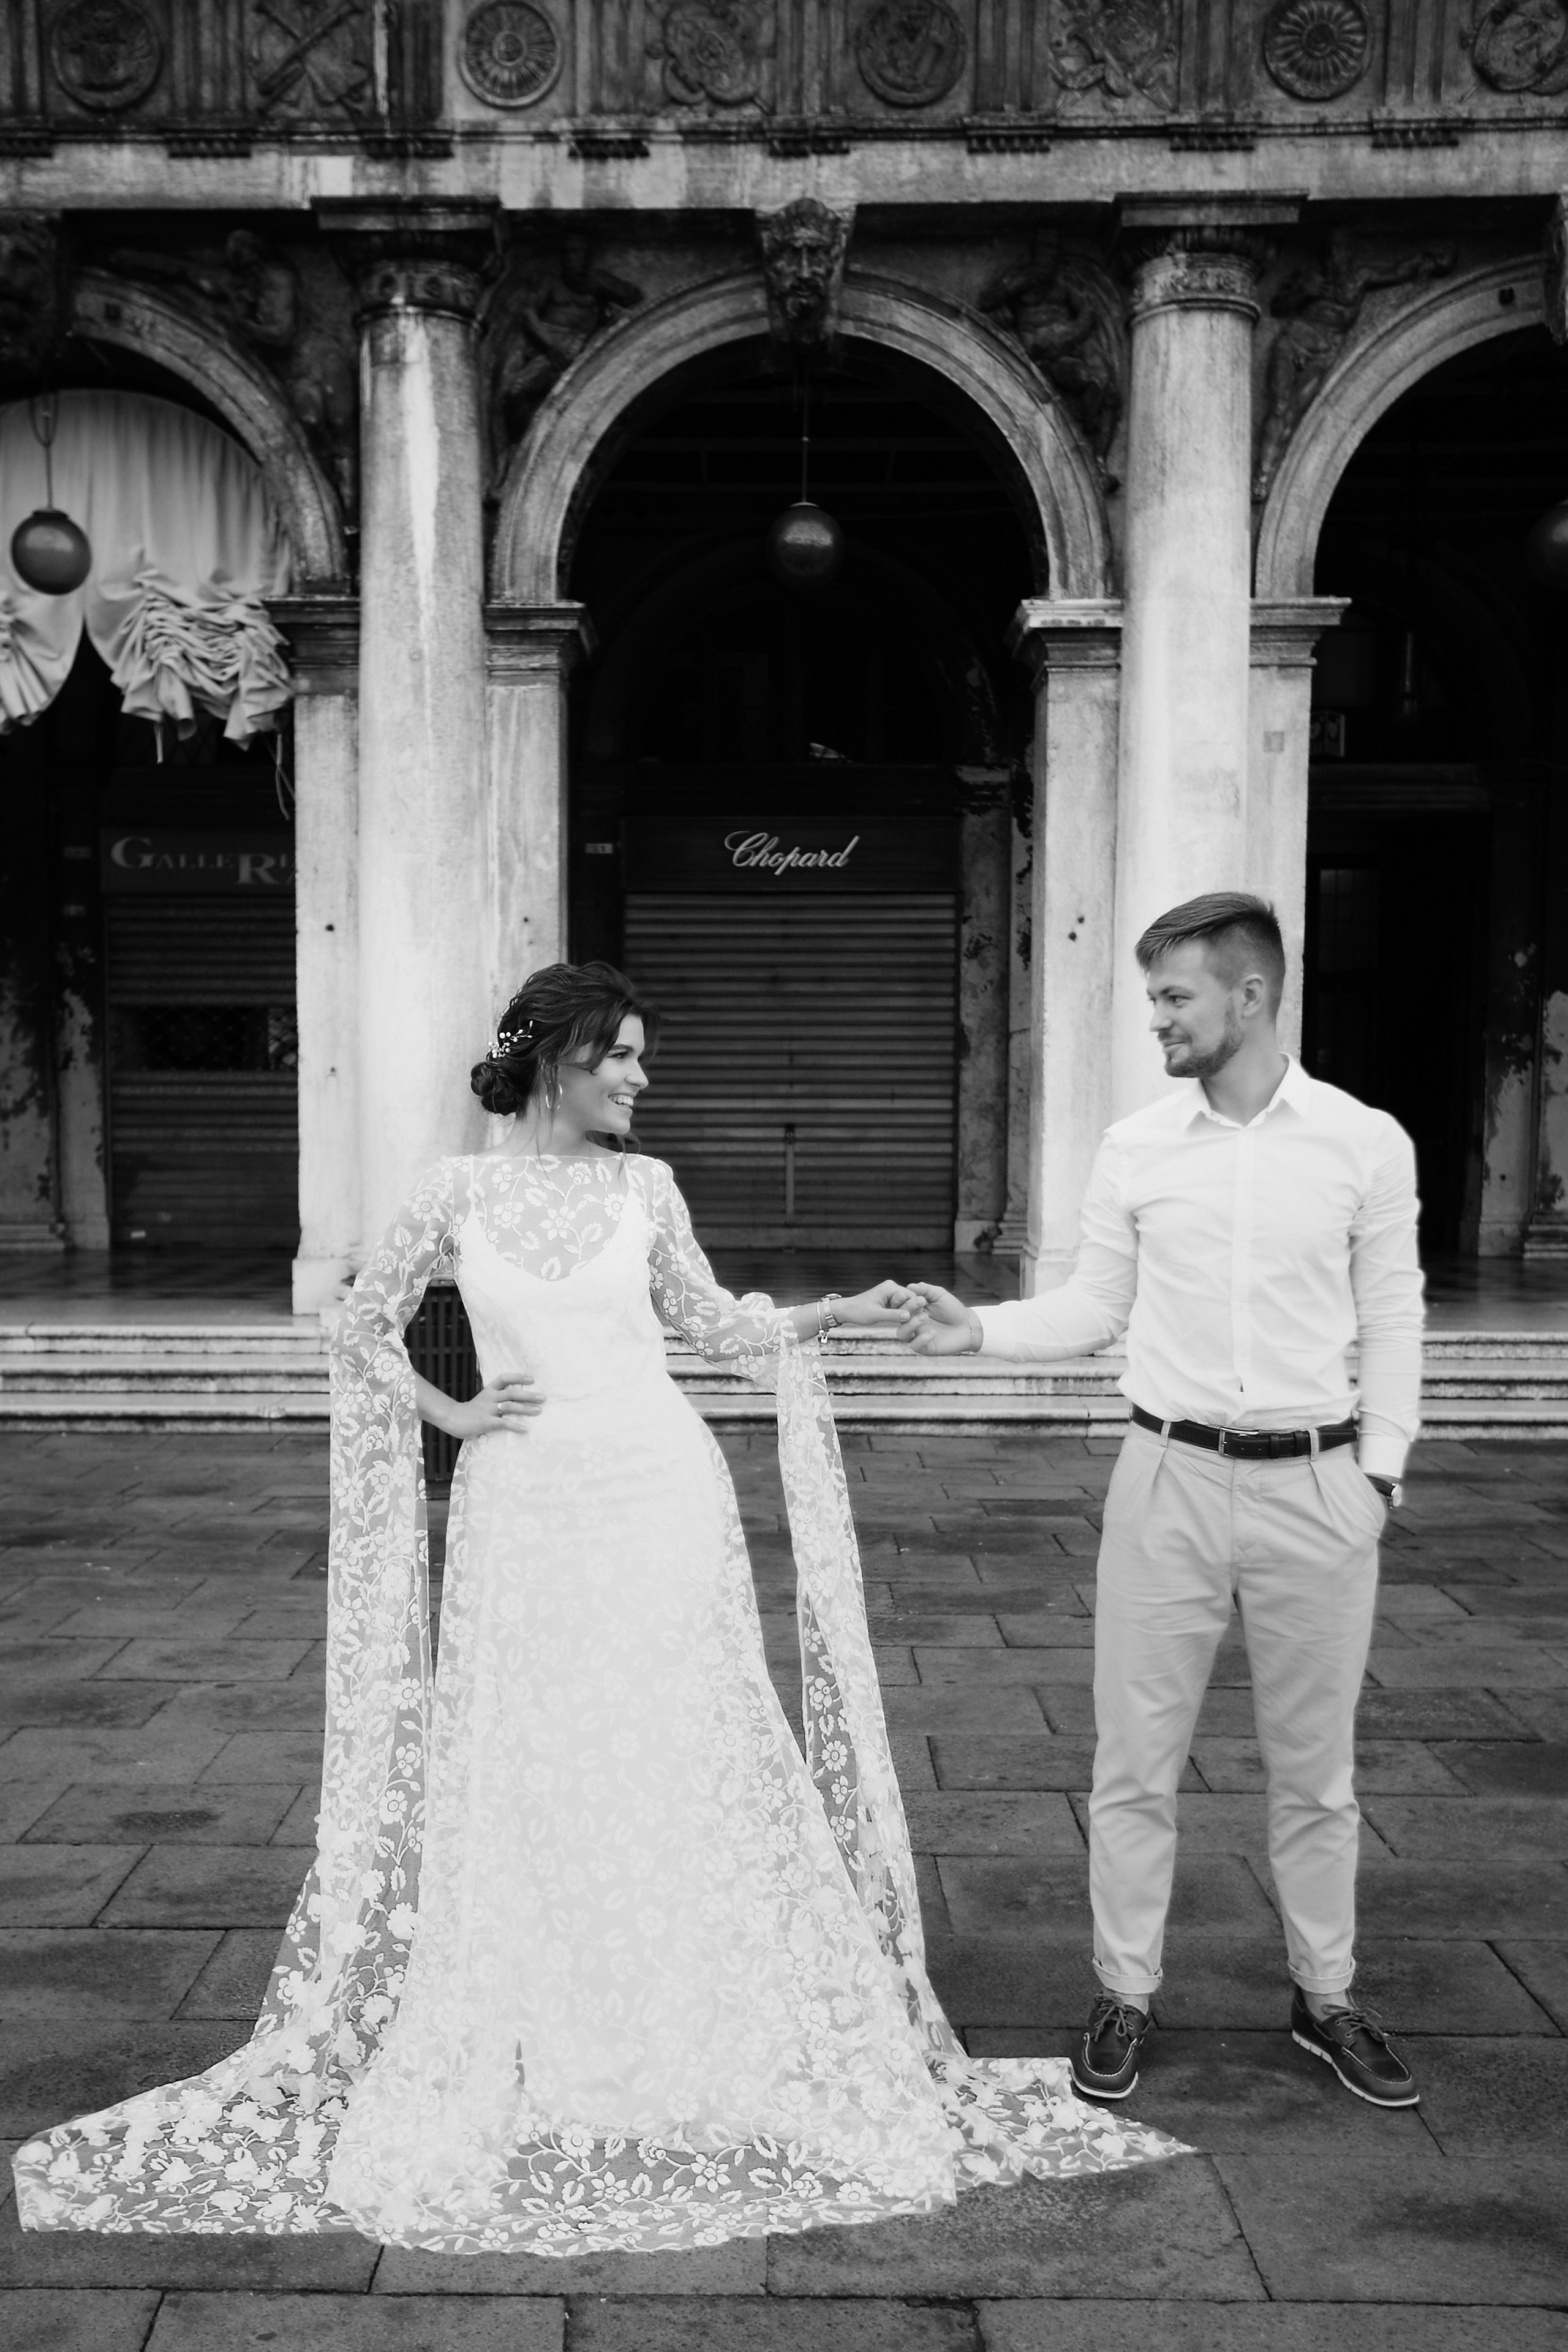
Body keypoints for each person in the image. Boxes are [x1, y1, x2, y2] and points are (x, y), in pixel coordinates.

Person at [15, 960, 1178, 2255]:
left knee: (679, 1750)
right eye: (619, 1055)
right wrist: (452, 1412)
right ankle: (549, 2020)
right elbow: (360, 1322)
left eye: (641, 1059)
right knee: (536, 1762)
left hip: (661, 1494)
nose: (637, 1078)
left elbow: (707, 1324)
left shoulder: (648, 1188)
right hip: (523, 1509)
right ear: (556, 1057)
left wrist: (837, 1313)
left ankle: (693, 2019)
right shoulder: (453, 1192)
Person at [899, 895, 1424, 2113]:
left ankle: (1325, 1997)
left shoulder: (1361, 1144)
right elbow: (1090, 1307)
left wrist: (1378, 1471)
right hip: (1164, 1480)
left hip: (1317, 1484)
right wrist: (975, 1326)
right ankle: (1123, 1994)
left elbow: (1392, 1318)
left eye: (1174, 997)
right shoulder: (1136, 1147)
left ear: (1248, 994)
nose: (1157, 1021)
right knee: (1134, 1763)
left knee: (1315, 1773)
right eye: (1151, 999)